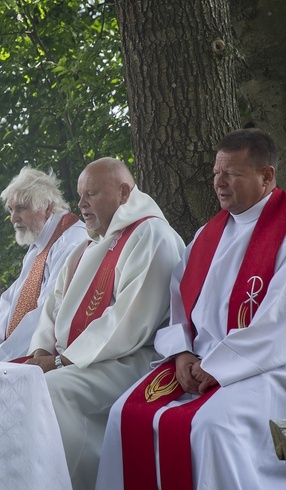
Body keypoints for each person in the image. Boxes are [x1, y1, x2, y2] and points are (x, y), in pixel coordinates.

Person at [96, 128, 286, 490]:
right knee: (125, 413)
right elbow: (179, 302)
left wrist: (218, 364)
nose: (220, 183)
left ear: (267, 176)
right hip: (198, 363)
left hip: (264, 368)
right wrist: (181, 351)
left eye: (232, 173)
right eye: (216, 173)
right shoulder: (206, 235)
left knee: (211, 426)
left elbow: (278, 323)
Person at [26, 158, 185, 490]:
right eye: (80, 194)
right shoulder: (90, 244)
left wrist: (58, 362)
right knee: (17, 383)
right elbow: (53, 306)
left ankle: (79, 481)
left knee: (52, 391)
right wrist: (40, 349)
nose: (81, 204)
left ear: (124, 192)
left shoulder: (152, 235)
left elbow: (129, 319)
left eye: (91, 194)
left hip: (136, 359)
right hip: (83, 358)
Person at [0, 167, 87, 361]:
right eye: (11, 209)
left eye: (21, 208)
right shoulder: (40, 242)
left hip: (53, 359)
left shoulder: (74, 241)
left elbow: (45, 312)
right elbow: (9, 303)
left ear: (48, 207)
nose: (13, 218)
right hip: (15, 356)